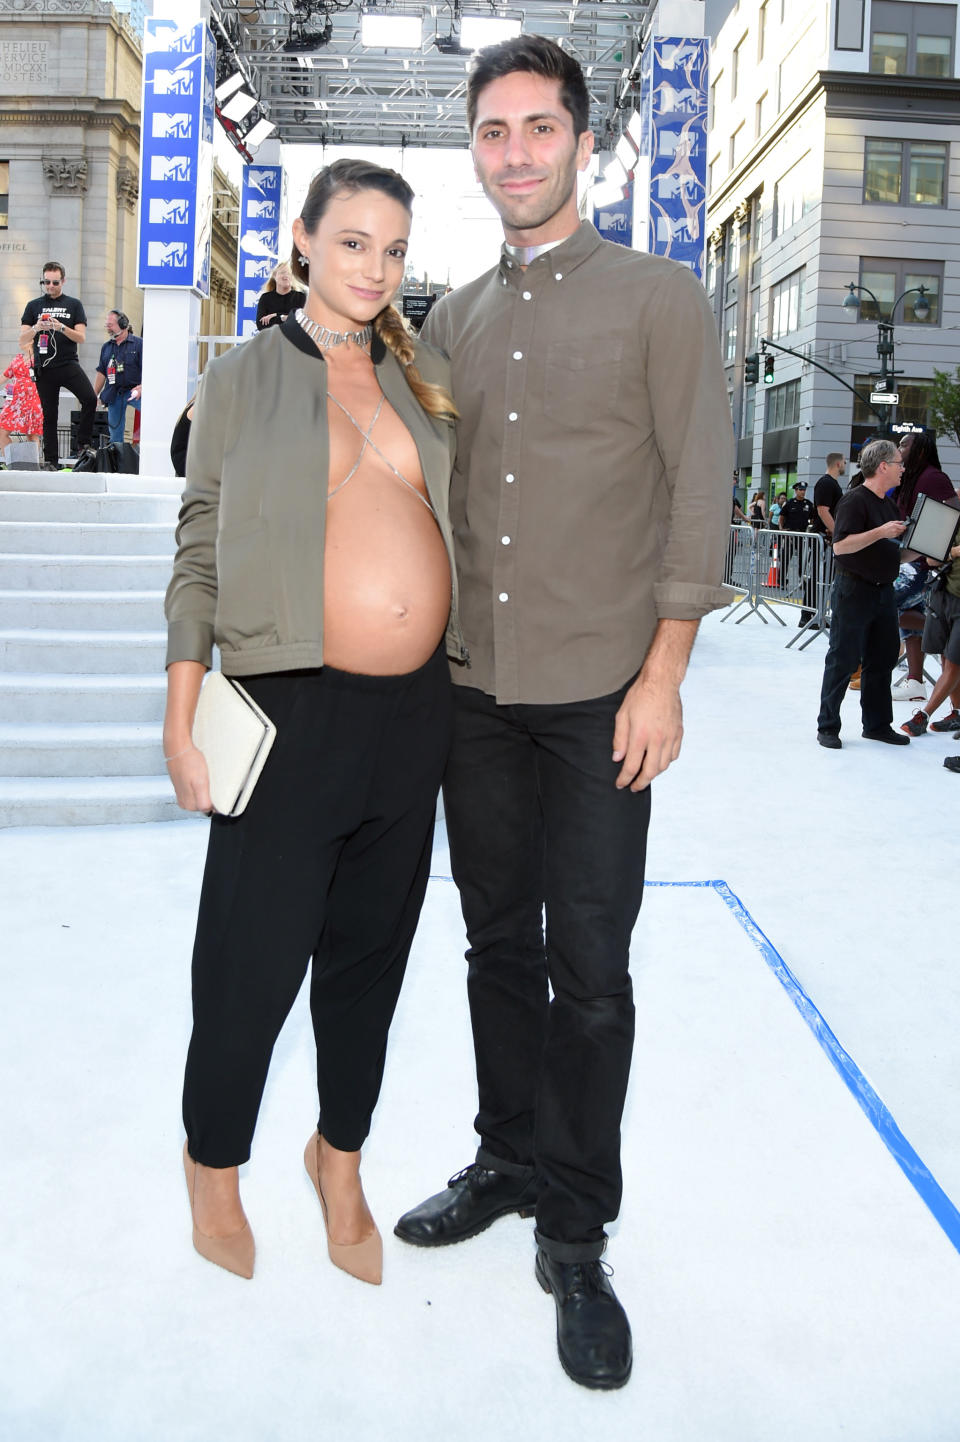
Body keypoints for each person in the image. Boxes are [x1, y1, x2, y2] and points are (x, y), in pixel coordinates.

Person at [392, 36, 732, 1391]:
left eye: (540, 127)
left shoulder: (663, 301)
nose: (516, 151)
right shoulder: (455, 320)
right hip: (475, 692)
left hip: (603, 695)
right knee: (493, 944)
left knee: (591, 969)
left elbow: (697, 489)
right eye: (494, 131)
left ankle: (578, 1228)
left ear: (583, 143)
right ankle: (508, 1154)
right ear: (474, 152)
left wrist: (665, 674)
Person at [163, 158, 461, 1285]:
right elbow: (199, 546)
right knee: (251, 958)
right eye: (352, 243)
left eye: (392, 249)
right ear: (302, 242)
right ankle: (213, 1159)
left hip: (415, 716)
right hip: (290, 707)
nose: (374, 268)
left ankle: (339, 1155)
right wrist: (183, 713)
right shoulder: (244, 375)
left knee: (370, 962)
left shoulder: (419, 376)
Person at [816, 438, 909, 748]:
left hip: (883, 591)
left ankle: (878, 724)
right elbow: (841, 546)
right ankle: (827, 725)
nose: (902, 469)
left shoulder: (888, 503)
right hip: (854, 589)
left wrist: (923, 549)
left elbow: (892, 551)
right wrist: (882, 531)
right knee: (843, 658)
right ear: (883, 466)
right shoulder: (855, 500)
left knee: (882, 659)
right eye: (898, 463)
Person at [890, 432, 955, 703]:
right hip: (910, 558)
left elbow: (952, 513)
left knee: (885, 605)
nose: (900, 448)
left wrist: (937, 551)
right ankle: (916, 681)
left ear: (919, 450)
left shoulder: (933, 477)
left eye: (905, 444)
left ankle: (945, 632)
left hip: (923, 563)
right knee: (909, 624)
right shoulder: (911, 477)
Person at [19, 261, 96, 470]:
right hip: (44, 368)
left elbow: (81, 337)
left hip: (68, 364)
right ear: (42, 281)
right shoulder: (33, 305)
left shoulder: (74, 304)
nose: (50, 286)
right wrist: (37, 327)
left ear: (63, 281)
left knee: (89, 398)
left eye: (54, 282)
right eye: (46, 282)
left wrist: (60, 326)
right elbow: (22, 339)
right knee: (48, 415)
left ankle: (82, 444)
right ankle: (51, 460)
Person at [899, 521, 960, 737]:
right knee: (946, 658)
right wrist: (955, 552)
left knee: (953, 663)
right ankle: (957, 713)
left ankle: (924, 715)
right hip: (944, 595)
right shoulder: (951, 519)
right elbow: (932, 558)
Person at [93, 310, 143, 446]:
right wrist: (94, 396)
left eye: (111, 324)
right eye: (107, 325)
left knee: (151, 419)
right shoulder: (106, 347)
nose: (108, 327)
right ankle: (118, 463)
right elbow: (101, 372)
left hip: (136, 392)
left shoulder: (139, 344)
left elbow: (149, 369)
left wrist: (143, 387)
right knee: (115, 435)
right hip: (114, 393)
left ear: (123, 324)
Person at [0, 337, 43, 468]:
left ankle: (32, 465)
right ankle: (10, 463)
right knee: (2, 431)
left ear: (31, 341)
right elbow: (5, 375)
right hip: (14, 401)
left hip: (32, 399)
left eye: (23, 338)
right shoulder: (17, 358)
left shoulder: (39, 358)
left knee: (31, 434)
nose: (19, 340)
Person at [779, 480, 817, 625]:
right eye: (800, 489)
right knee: (786, 559)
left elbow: (813, 518)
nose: (802, 491)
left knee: (803, 560)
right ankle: (782, 581)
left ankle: (803, 582)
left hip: (802, 536)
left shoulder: (808, 504)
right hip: (790, 536)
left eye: (804, 490)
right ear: (796, 490)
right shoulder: (789, 503)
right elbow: (782, 517)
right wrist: (782, 529)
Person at [255, 260, 304, 329]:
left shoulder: (301, 297)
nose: (286, 275)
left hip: (294, 339)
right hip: (273, 338)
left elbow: (303, 322)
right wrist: (286, 318)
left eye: (289, 273)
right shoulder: (265, 298)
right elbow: (260, 325)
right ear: (275, 276)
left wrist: (278, 316)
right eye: (283, 272)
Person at [811, 453, 845, 540]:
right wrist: (836, 533)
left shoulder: (832, 483)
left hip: (827, 536)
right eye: (844, 462)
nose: (845, 465)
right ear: (838, 464)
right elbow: (823, 511)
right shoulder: (825, 483)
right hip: (821, 537)